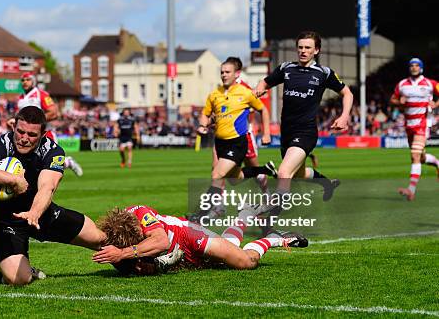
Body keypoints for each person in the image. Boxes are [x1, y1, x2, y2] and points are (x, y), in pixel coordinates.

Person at [0, 106, 106, 285]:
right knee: (19, 279)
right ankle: (23, 268)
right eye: (20, 132)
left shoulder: (53, 151)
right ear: (14, 127)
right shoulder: (3, 144)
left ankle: (143, 261)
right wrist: (13, 180)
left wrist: (35, 213)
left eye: (31, 135)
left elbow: (47, 187)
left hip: (42, 214)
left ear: (43, 134)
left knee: (100, 239)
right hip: (6, 220)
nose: (24, 139)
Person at [253, 31, 353, 205]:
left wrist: (344, 116)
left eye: (308, 47)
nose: (303, 51)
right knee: (297, 175)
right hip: (287, 133)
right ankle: (326, 184)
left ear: (316, 51)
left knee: (283, 173)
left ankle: (270, 222)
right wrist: (258, 90)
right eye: (300, 47)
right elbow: (264, 82)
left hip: (306, 132)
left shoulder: (324, 73)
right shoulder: (286, 68)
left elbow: (347, 93)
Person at [92, 205, 307, 275]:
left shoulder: (139, 213)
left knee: (245, 262)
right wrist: (156, 265)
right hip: (180, 253)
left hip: (189, 236)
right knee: (224, 256)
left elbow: (160, 242)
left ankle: (272, 239)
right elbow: (137, 269)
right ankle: (246, 214)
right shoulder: (115, 242)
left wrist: (123, 253)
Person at [192, 57, 271, 220]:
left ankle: (200, 213)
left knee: (217, 174)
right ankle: (263, 170)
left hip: (237, 143)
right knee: (235, 179)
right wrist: (202, 125)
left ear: (237, 74)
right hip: (220, 142)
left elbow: (263, 110)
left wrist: (267, 133)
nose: (224, 75)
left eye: (227, 72)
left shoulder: (245, 93)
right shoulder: (215, 94)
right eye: (222, 72)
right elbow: (205, 114)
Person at [13, 71, 83, 176]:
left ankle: (68, 162)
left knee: (50, 164)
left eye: (28, 79)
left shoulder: (41, 94)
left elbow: (54, 112)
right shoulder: (20, 98)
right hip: (26, 135)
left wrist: (35, 122)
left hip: (44, 135)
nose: (25, 82)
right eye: (22, 80)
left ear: (34, 81)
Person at [389, 58, 439, 200]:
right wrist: (399, 102)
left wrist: (436, 103)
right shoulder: (402, 84)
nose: (414, 67)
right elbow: (393, 99)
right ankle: (437, 162)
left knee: (414, 156)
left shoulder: (430, 83)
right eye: (412, 65)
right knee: (421, 157)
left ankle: (411, 190)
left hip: (422, 125)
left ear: (421, 67)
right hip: (408, 126)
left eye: (417, 65)